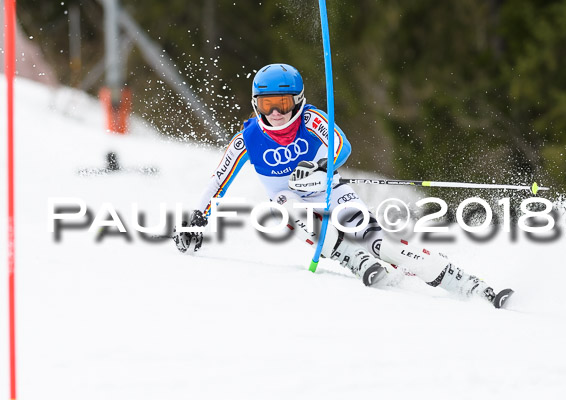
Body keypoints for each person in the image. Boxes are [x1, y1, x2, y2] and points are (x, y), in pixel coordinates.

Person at [173, 63, 512, 308]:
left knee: (385, 244)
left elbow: (341, 144)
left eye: (283, 103)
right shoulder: (248, 137)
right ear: (255, 104)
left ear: (298, 100)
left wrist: (321, 166)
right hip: (291, 198)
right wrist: (198, 219)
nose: (276, 113)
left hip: (330, 190)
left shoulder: (311, 120)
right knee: (291, 208)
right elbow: (218, 179)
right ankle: (353, 259)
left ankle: (467, 284)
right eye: (267, 104)